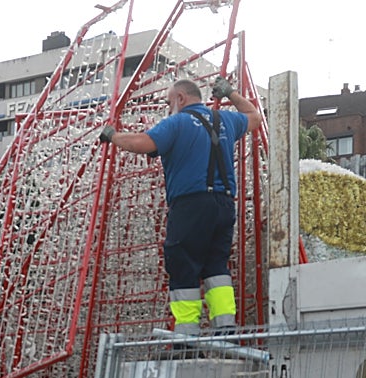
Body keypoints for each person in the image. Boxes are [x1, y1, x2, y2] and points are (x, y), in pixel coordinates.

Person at [99, 76, 262, 336]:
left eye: (168, 102)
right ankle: (226, 329)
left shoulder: (177, 123)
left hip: (190, 204)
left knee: (183, 263)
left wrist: (113, 136)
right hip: (224, 205)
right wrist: (231, 93)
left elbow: (144, 143)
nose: (167, 108)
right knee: (216, 266)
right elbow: (254, 116)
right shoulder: (225, 120)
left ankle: (187, 335)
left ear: (181, 99)